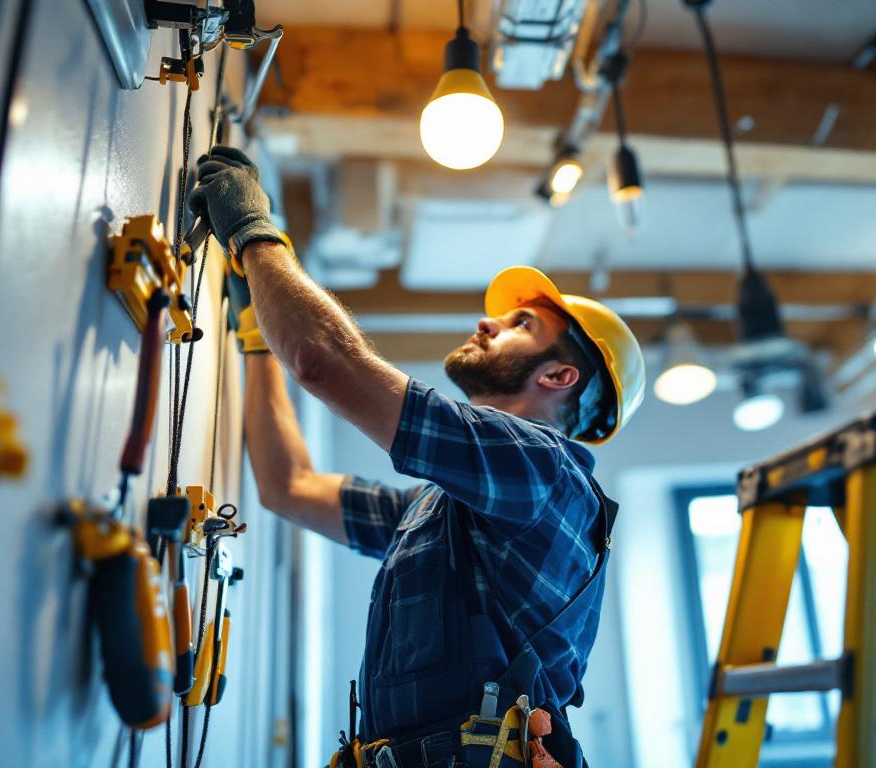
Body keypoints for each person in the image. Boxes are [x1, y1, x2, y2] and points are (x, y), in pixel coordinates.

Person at [191, 146, 645, 767]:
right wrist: (257, 342)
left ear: (560, 376)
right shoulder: (448, 512)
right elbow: (289, 487)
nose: (487, 324)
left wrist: (253, 232)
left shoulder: (541, 470)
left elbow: (323, 361)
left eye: (518, 324)